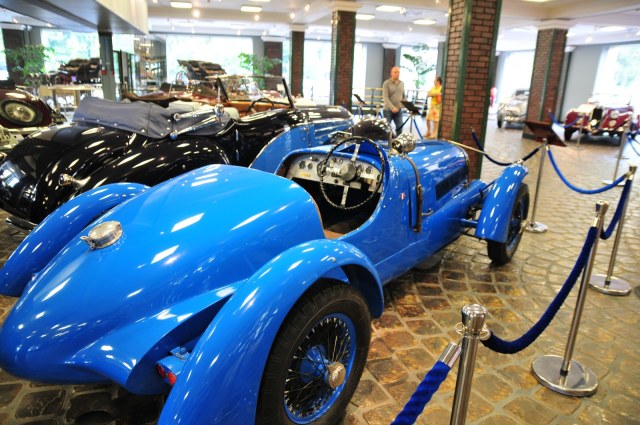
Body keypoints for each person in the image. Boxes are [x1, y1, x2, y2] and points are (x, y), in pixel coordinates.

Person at [382, 66, 405, 133]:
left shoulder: (402, 83)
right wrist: (392, 107)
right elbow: (385, 97)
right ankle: (388, 139)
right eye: (395, 72)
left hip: (398, 110)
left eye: (398, 72)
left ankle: (398, 139)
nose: (397, 74)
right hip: (388, 110)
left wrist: (401, 106)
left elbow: (403, 96)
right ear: (391, 73)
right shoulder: (386, 83)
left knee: (400, 127)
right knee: (387, 129)